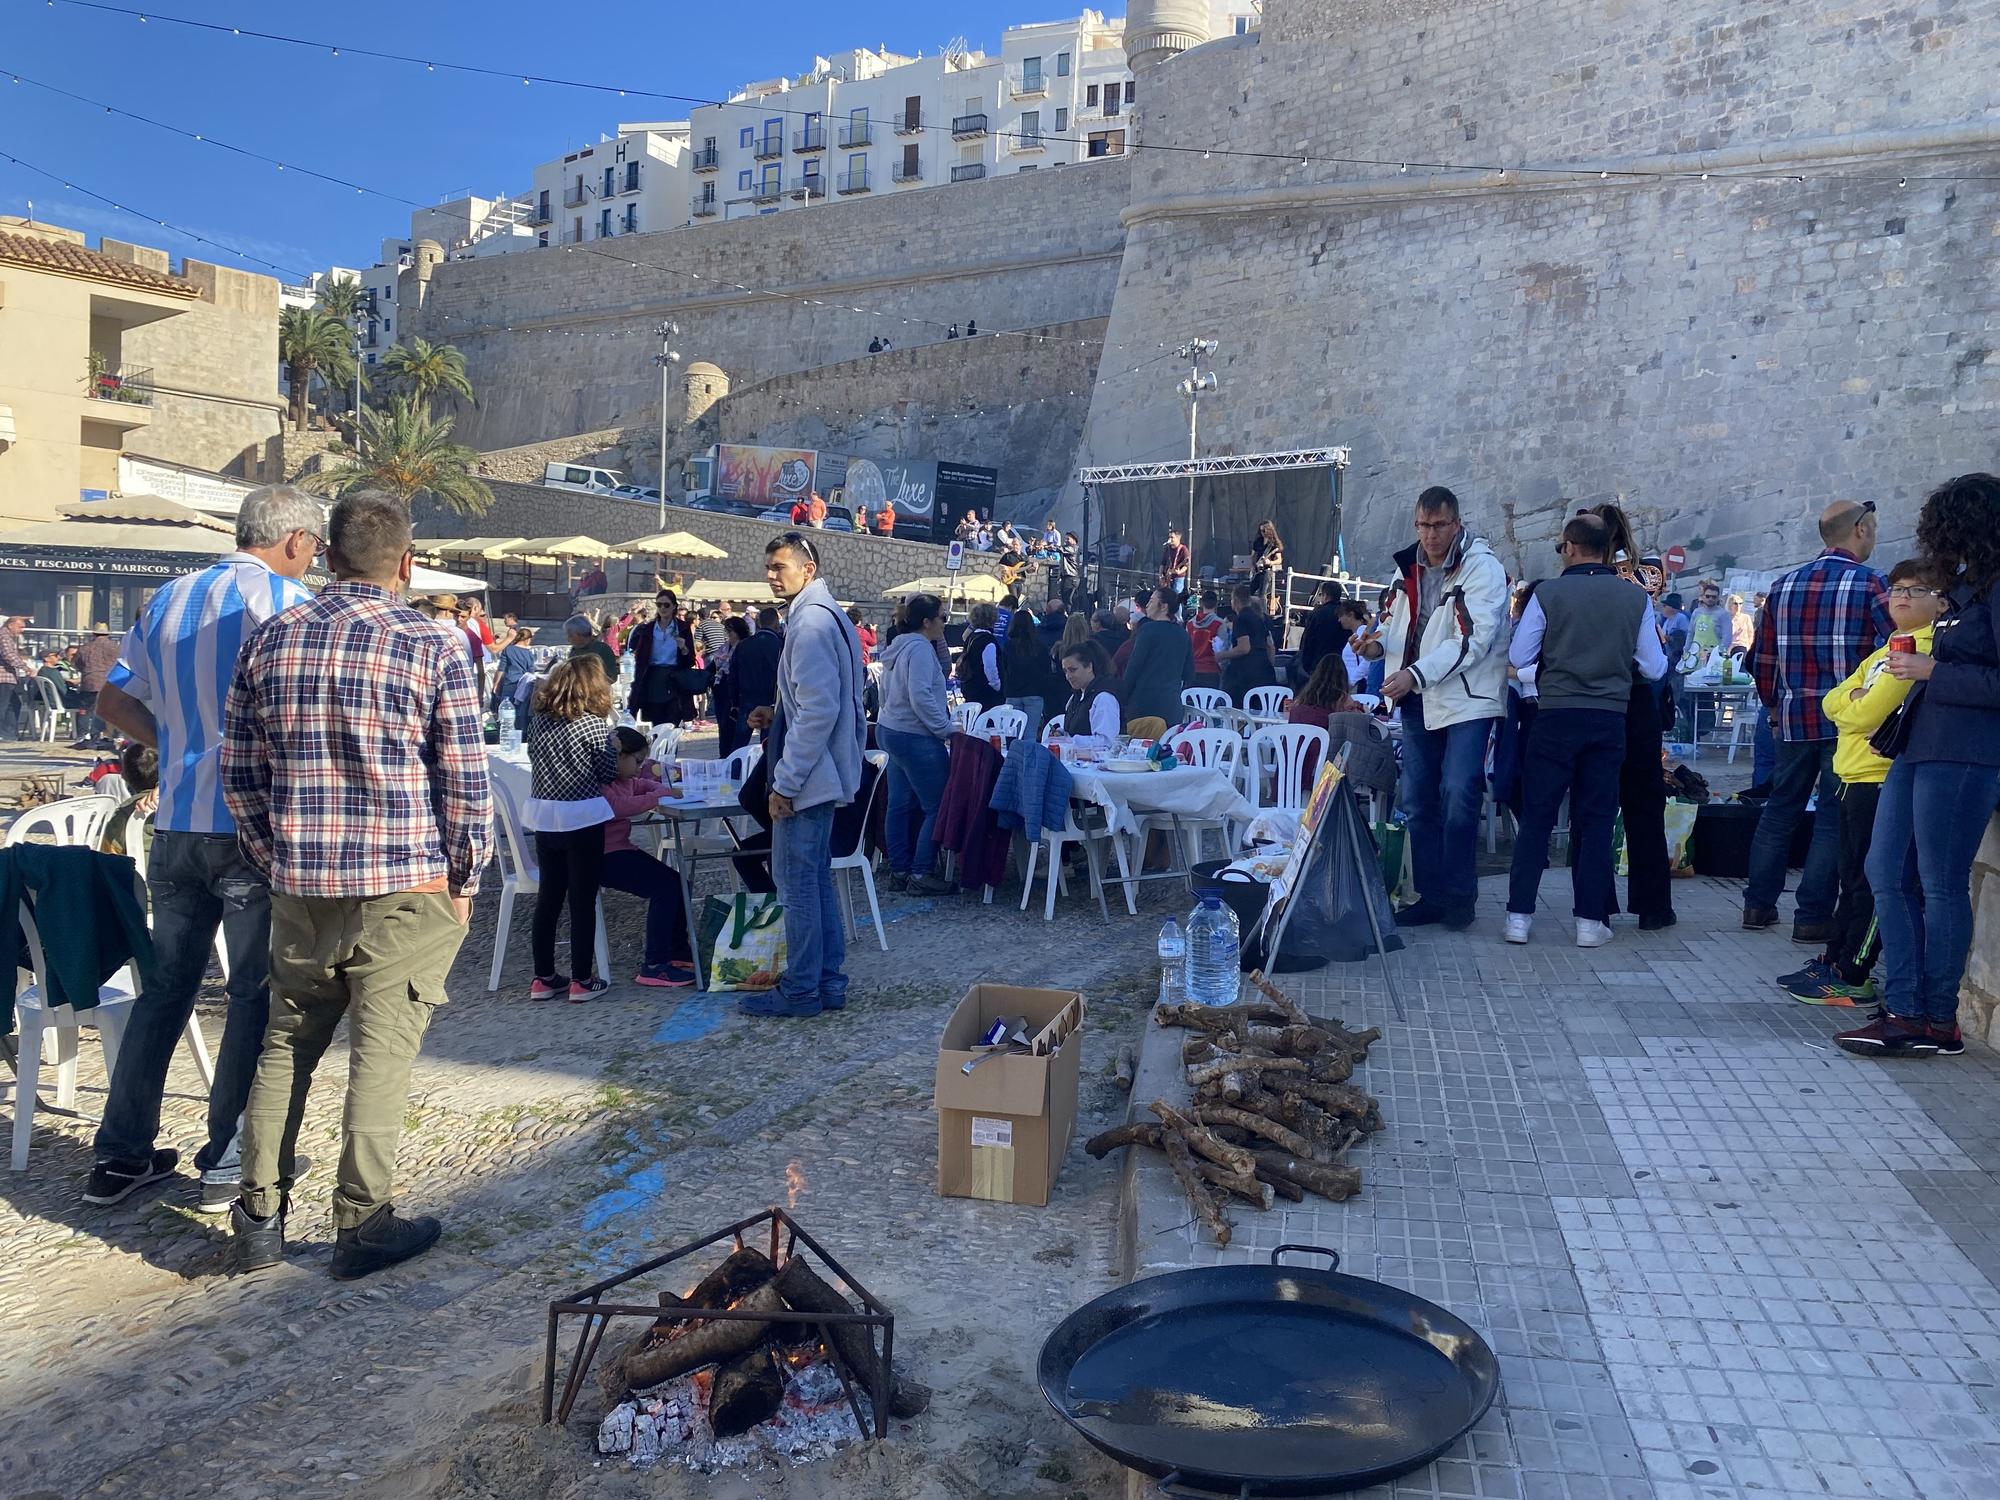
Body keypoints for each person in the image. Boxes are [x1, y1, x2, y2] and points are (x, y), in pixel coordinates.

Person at [220, 490, 491, 1279]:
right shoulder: (431, 644)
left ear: (328, 555)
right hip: (404, 886)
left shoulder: (272, 639)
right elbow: (465, 783)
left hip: (303, 883)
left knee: (285, 1046)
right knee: (382, 1057)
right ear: (404, 563)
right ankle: (361, 1221)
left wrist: (276, 857)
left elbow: (240, 772)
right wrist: (464, 876)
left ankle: (258, 1213)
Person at [83, 485, 320, 1211]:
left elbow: (112, 702)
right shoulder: (283, 600)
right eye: (311, 544)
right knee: (250, 993)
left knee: (166, 990)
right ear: (293, 541)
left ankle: (120, 1156)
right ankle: (226, 1161)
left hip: (177, 824)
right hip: (247, 826)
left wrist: (181, 747)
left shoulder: (169, 597)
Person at [1839, 475, 2000, 1057]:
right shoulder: (1970, 591)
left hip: (1964, 754)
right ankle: (1905, 1007)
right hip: (1921, 748)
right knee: (1886, 872)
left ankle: (1933, 1017)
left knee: (1938, 884)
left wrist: (1935, 673)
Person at [1781, 558, 1948, 1006]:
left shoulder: (1921, 647)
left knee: (1877, 881)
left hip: (1879, 777)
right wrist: (1849, 704)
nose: (1901, 597)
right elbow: (1836, 697)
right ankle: (1837, 959)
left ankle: (1855, 972)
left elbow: (1866, 710)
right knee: (1851, 877)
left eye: (1916, 590)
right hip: (1852, 773)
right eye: (1896, 588)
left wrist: (1850, 706)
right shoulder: (1886, 646)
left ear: (1940, 600)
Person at [1503, 514, 1667, 948]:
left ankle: (1518, 918)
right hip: (1609, 718)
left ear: (1571, 547)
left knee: (1537, 817)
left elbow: (1520, 656)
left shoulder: (1548, 594)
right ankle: (1589, 923)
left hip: (1554, 717)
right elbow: (1654, 667)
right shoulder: (1635, 599)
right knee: (1595, 820)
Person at [1361, 486, 1510, 930]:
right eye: (1424, 525)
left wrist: (1414, 675)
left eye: (1439, 525)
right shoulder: (1405, 569)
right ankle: (1431, 893)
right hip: (1417, 697)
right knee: (1419, 800)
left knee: (1459, 793)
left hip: (1467, 698)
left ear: (1457, 523)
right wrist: (1374, 646)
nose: (1431, 534)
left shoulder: (1482, 569)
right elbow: (1394, 626)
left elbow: (1471, 640)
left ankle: (1461, 894)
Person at [1743, 501, 1890, 938]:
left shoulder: (1783, 586)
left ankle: (1757, 906)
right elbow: (1892, 654)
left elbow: (1762, 659)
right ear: (1860, 530)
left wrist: (1773, 706)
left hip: (1792, 718)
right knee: (1831, 817)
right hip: (1849, 722)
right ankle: (1811, 917)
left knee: (1779, 810)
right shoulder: (1872, 586)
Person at [748, 532, 866, 1019]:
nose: (772, 575)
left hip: (809, 777)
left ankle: (801, 990)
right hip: (822, 771)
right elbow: (814, 702)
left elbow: (819, 710)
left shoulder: (811, 623)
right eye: (770, 567)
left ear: (807, 569)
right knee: (813, 882)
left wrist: (785, 782)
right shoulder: (825, 615)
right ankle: (826, 983)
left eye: (780, 566)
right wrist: (777, 714)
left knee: (798, 886)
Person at [524, 658, 618, 1001]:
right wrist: (615, 748)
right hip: (582, 816)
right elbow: (607, 772)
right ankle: (582, 977)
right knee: (582, 899)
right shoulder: (593, 724)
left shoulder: (539, 722)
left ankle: (543, 976)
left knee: (549, 897)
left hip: (546, 815)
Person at [600, 726, 697, 988]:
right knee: (665, 888)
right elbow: (620, 808)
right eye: (637, 761)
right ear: (618, 756)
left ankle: (676, 950)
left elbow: (640, 783)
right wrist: (658, 795)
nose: (639, 767)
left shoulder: (624, 779)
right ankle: (654, 964)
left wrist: (661, 787)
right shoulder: (601, 782)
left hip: (619, 849)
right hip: (601, 856)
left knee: (678, 882)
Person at [876, 592, 956, 894]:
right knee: (936, 805)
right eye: (942, 618)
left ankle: (899, 869)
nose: (944, 623)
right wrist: (945, 730)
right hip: (915, 734)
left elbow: (886, 692)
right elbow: (920, 695)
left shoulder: (898, 647)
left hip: (891, 728)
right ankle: (921, 873)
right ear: (927, 622)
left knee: (898, 804)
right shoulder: (921, 650)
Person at [1122, 587, 1195, 727]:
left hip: (1145, 702)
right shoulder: (1183, 634)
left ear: (1164, 606)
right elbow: (1189, 673)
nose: (1148, 605)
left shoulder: (1147, 629)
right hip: (1171, 704)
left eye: (1151, 601)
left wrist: (1124, 694)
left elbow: (1134, 666)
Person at [627, 589, 699, 727]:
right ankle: (657, 748)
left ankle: (669, 748)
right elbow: (641, 659)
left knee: (672, 724)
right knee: (657, 724)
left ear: (673, 606)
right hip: (653, 678)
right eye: (659, 605)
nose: (662, 608)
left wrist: (684, 649)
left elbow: (690, 661)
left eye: (666, 605)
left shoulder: (683, 628)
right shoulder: (648, 628)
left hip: (675, 679)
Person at [1003, 608, 1066, 736]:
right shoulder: (1039, 646)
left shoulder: (1008, 646)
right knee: (1030, 734)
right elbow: (1046, 669)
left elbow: (1003, 668)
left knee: (1014, 734)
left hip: (1013, 692)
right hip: (1034, 693)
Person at [97, 742, 160, 862]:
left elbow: (109, 858)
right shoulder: (179, 801)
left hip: (139, 877)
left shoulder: (124, 813)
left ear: (124, 775)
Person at [1217, 585, 1279, 704]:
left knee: (1236, 709)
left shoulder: (1240, 619)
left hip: (1244, 675)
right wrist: (1268, 666)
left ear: (1234, 601)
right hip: (1264, 673)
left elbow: (1244, 648)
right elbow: (1270, 645)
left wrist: (1221, 655)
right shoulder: (1260, 619)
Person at [1059, 640, 1122, 738]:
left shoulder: (1104, 698)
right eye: (1065, 671)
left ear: (1089, 666)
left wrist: (1069, 742)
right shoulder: (1075, 696)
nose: (1068, 676)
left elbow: (1105, 741)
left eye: (1073, 670)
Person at [713, 615, 753, 755]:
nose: (728, 635)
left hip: (737, 690)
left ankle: (732, 758)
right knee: (723, 727)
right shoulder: (725, 647)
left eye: (730, 632)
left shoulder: (745, 646)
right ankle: (724, 757)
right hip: (721, 687)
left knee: (732, 727)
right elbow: (716, 662)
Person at [1295, 579, 1350, 682]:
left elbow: (1308, 640)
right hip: (1341, 663)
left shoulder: (1318, 613)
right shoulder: (1346, 613)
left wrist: (1305, 664)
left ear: (1325, 595)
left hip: (1318, 663)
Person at [957, 602, 1006, 711]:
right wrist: (998, 686)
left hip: (971, 688)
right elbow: (990, 668)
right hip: (985, 694)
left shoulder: (971, 638)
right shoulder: (988, 640)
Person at [1187, 590, 1228, 691]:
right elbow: (1222, 648)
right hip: (1211, 670)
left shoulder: (1190, 624)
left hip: (1193, 669)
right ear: (1216, 604)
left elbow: (1187, 648)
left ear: (1201, 603)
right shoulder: (1219, 624)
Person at [566, 613, 619, 686]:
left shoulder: (602, 649)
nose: (568, 639)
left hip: (596, 692)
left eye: (570, 635)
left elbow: (612, 677)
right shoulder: (574, 650)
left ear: (580, 634)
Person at [0, 614, 30, 739]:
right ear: (10, 625)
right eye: (20, 627)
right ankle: (4, 734)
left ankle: (9, 734)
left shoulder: (7, 637)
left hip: (9, 677)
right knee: (3, 706)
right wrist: (25, 667)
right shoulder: (4, 636)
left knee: (14, 704)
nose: (22, 630)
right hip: (3, 676)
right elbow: (8, 655)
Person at [494, 627, 537, 712]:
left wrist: (496, 683)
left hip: (509, 682)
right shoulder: (529, 654)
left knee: (506, 709)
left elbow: (501, 668)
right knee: (520, 711)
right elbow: (531, 672)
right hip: (523, 685)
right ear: (527, 640)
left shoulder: (508, 649)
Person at [1337, 602, 1375, 691]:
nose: (1339, 620)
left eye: (1341, 615)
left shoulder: (1362, 633)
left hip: (1357, 685)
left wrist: (1352, 681)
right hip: (1356, 683)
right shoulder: (1358, 633)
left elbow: (1366, 661)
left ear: (1351, 615)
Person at [1250, 521, 1285, 609]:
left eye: (1264, 531)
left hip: (1267, 571)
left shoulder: (1274, 544)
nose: (1262, 533)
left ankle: (1264, 615)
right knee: (1249, 591)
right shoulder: (1258, 541)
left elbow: (1279, 560)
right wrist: (1252, 566)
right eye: (1260, 531)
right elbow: (1253, 555)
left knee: (1262, 595)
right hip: (1257, 570)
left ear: (1269, 530)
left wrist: (1270, 562)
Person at [1158, 527, 1191, 599]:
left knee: (1176, 597)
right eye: (1169, 537)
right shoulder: (1167, 548)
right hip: (1167, 578)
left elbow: (1186, 565)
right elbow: (1162, 563)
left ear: (1178, 538)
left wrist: (1179, 572)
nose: (1170, 539)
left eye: (1172, 537)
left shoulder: (1183, 549)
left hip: (1178, 578)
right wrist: (1160, 576)